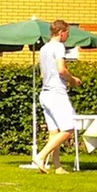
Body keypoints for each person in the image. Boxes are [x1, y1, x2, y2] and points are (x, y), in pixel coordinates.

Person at [33, 20, 82, 174]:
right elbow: (61, 69)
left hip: (45, 93)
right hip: (56, 93)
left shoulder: (44, 48)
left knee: (54, 132)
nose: (68, 36)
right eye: (67, 32)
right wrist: (73, 80)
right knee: (69, 128)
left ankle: (57, 166)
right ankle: (40, 156)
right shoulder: (59, 47)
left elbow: (43, 73)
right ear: (61, 32)